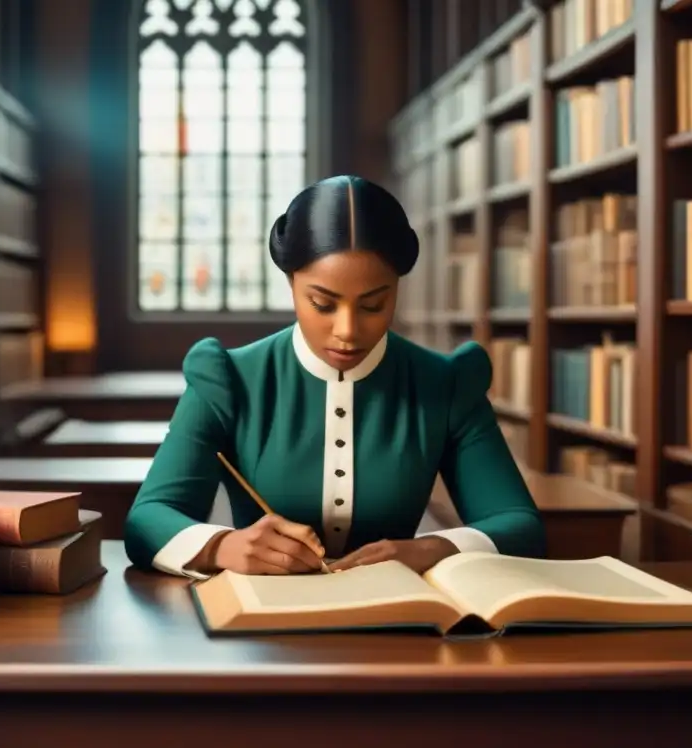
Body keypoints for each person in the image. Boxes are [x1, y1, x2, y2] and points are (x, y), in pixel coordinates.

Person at [124, 175, 545, 579]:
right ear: (291, 283)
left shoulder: (445, 383)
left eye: (373, 305)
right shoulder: (229, 378)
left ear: (396, 288)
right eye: (323, 304)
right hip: (264, 629)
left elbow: (520, 525)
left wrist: (432, 548)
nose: (347, 330)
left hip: (399, 625)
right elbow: (148, 519)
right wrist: (224, 546)